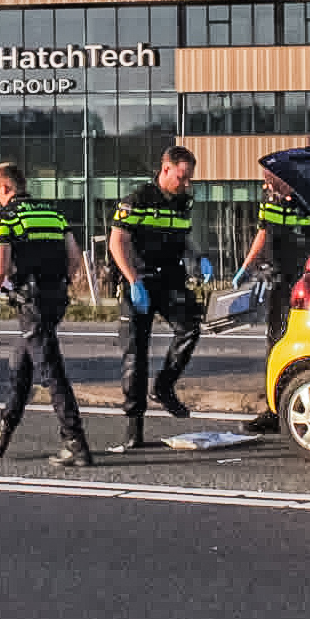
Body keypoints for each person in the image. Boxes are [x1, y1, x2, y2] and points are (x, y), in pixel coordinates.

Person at [0, 162, 93, 468]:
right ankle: (2, 434)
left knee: (51, 372)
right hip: (55, 300)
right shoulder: (53, 213)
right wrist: (58, 283)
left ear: (5, 188)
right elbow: (75, 259)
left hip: (32, 304)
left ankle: (75, 443)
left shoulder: (7, 217)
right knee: (20, 366)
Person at [107, 145, 200, 451]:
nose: (186, 184)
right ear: (166, 170)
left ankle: (164, 387)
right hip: (141, 281)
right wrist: (133, 280)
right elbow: (116, 241)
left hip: (171, 280)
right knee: (136, 354)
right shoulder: (137, 200)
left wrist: (198, 256)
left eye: (189, 179)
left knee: (189, 328)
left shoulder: (183, 202)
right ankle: (134, 428)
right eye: (182, 178)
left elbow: (182, 236)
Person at [233, 169, 310, 434]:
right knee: (275, 345)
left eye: (272, 181)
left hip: (308, 283)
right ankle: (274, 410)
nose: (267, 186)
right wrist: (247, 267)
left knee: (308, 346)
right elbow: (263, 233)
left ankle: (299, 404)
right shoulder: (270, 200)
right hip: (279, 281)